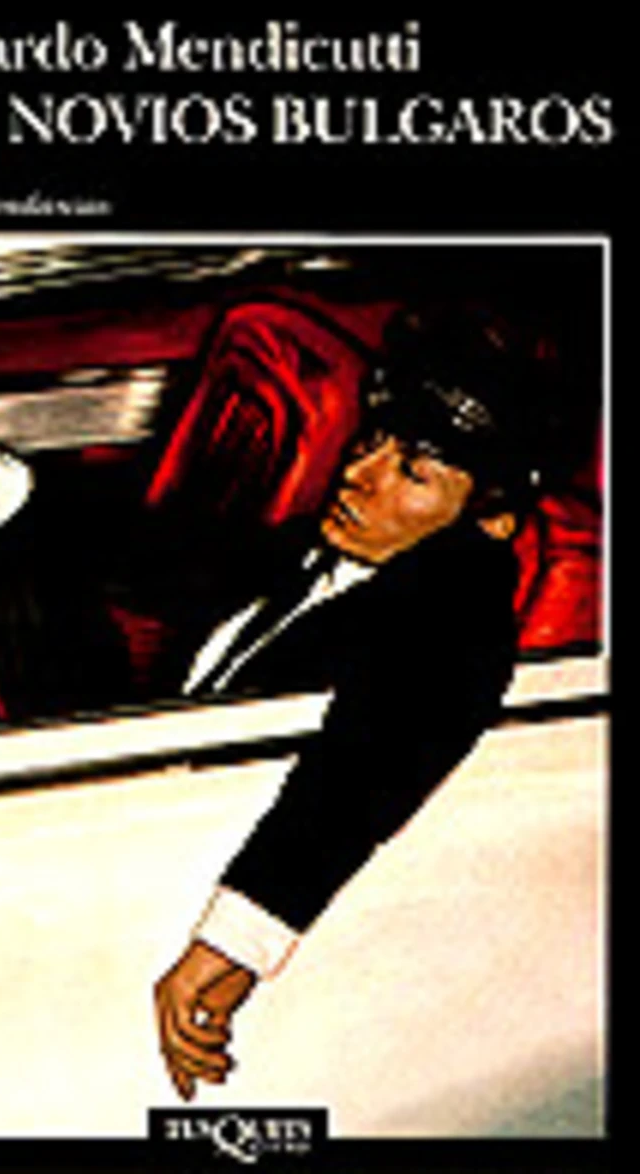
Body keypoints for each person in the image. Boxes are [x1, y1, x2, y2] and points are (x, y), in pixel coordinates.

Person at [153, 303, 555, 1101]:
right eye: (374, 441)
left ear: (490, 521)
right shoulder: (317, 548)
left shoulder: (452, 610)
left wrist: (233, 944)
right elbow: (155, 559)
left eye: (414, 473)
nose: (358, 473)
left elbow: (370, 761)